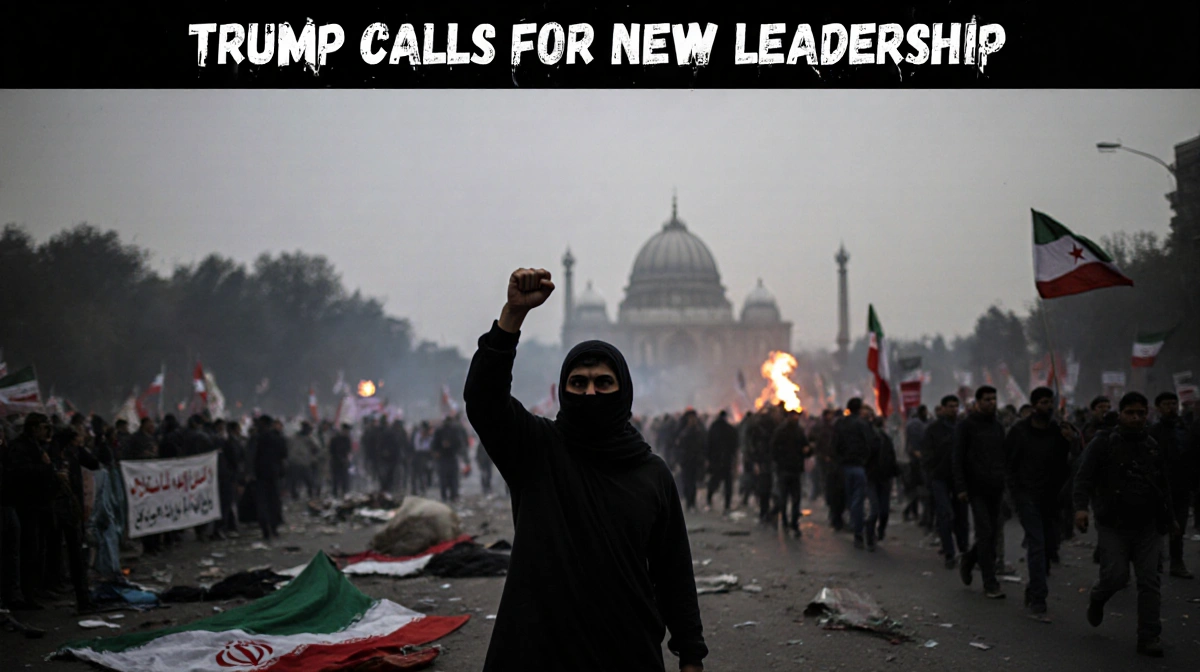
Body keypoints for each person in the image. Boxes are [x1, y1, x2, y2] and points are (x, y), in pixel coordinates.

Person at [463, 267, 707, 672]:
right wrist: (512, 318)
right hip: (542, 648)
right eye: (578, 383)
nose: (590, 392)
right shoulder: (537, 452)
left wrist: (691, 653)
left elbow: (673, 570)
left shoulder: (651, 473)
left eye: (603, 383)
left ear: (623, 390)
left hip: (627, 648)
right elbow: (484, 401)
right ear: (564, 390)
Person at [1074, 392, 1176, 658]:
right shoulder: (1103, 443)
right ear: (1120, 414)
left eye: (1141, 413)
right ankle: (1099, 597)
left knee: (1149, 581)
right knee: (1116, 577)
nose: (1136, 418)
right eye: (1130, 413)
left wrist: (1171, 518)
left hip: (1148, 525)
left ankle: (1149, 636)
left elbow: (1163, 484)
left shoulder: (1151, 445)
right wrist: (1081, 508)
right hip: (1113, 524)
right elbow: (1083, 477)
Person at [1004, 387, 1075, 615]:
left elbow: (1073, 462)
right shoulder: (1019, 431)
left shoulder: (1058, 431)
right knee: (1036, 543)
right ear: (1034, 405)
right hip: (1026, 496)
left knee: (1048, 545)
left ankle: (1034, 586)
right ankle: (1038, 597)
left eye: (1050, 402)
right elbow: (1009, 464)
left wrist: (1072, 441)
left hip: (1051, 497)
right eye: (1044, 402)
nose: (1048, 407)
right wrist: (1014, 492)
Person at [952, 385, 1008, 598]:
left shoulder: (997, 426)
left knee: (992, 534)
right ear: (977, 402)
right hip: (975, 488)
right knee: (984, 532)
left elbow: (1003, 455)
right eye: (987, 399)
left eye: (994, 399)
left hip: (996, 487)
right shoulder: (966, 426)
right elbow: (957, 457)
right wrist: (961, 487)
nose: (991, 403)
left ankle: (969, 559)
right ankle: (989, 582)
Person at [1150, 392, 1196, 579]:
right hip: (1158, 487)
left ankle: (1177, 562)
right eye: (1167, 404)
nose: (1171, 407)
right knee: (1156, 527)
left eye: (1173, 403)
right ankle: (1154, 562)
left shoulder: (1185, 428)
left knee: (1179, 527)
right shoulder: (1153, 431)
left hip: (1181, 485)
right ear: (1158, 408)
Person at [923, 396, 969, 569]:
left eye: (956, 406)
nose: (954, 409)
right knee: (945, 514)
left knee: (961, 516)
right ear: (942, 408)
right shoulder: (933, 429)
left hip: (959, 478)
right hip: (940, 478)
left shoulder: (962, 427)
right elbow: (927, 455)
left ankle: (963, 549)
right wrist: (932, 472)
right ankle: (949, 552)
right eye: (950, 406)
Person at [834, 398, 878, 550]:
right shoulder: (862, 424)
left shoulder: (840, 424)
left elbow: (835, 445)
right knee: (858, 499)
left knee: (851, 497)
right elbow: (870, 444)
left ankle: (855, 526)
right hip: (859, 466)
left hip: (844, 467)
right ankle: (858, 531)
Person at [770, 410, 809, 537]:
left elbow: (806, 448)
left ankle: (792, 523)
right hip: (786, 470)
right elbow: (774, 449)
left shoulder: (798, 431)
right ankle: (787, 523)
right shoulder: (782, 431)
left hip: (794, 469)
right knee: (786, 498)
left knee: (794, 499)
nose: (796, 418)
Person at [866, 408, 900, 542]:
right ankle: (872, 534)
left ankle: (877, 532)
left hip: (883, 476)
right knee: (877, 509)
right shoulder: (871, 438)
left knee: (881, 509)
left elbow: (891, 456)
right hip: (874, 477)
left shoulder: (886, 438)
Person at [705, 410, 739, 513]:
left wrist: (708, 459)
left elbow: (708, 445)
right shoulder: (730, 429)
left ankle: (709, 500)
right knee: (728, 484)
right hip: (727, 461)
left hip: (716, 461)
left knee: (714, 482)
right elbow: (735, 445)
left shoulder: (713, 428)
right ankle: (727, 505)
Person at [673, 410, 706, 512]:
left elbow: (703, 445)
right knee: (687, 482)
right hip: (686, 461)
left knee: (693, 482)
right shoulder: (684, 431)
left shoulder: (698, 431)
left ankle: (692, 502)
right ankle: (689, 502)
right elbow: (678, 446)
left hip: (694, 461)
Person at [432, 414, 468, 502]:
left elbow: (459, 444)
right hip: (444, 457)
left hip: (450, 456)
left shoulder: (453, 431)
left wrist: (450, 446)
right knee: (447, 478)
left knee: (451, 478)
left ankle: (451, 495)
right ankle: (449, 496)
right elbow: (434, 445)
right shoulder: (442, 431)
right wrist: (438, 451)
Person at [329, 423, 353, 498]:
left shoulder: (347, 439)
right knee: (336, 480)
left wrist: (347, 460)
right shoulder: (335, 439)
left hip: (344, 462)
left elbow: (349, 451)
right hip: (336, 462)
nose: (347, 432)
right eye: (346, 431)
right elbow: (331, 451)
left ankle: (344, 493)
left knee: (345, 479)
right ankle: (335, 494)